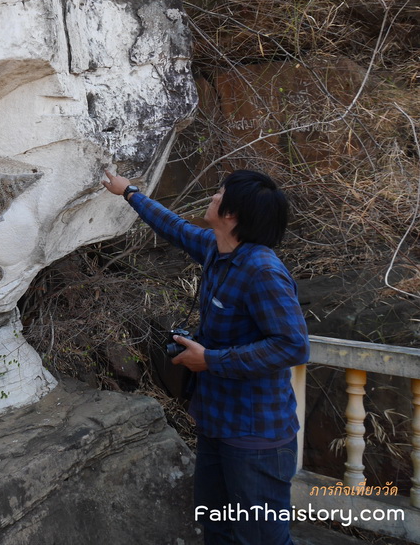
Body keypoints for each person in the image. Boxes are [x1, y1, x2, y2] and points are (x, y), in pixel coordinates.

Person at [102, 169, 309, 545]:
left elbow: (293, 345)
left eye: (219, 194)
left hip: (254, 437)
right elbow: (175, 228)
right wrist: (129, 193)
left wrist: (212, 360)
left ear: (232, 214)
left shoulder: (262, 272)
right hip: (216, 425)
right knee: (217, 528)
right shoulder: (218, 249)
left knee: (261, 537)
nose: (212, 198)